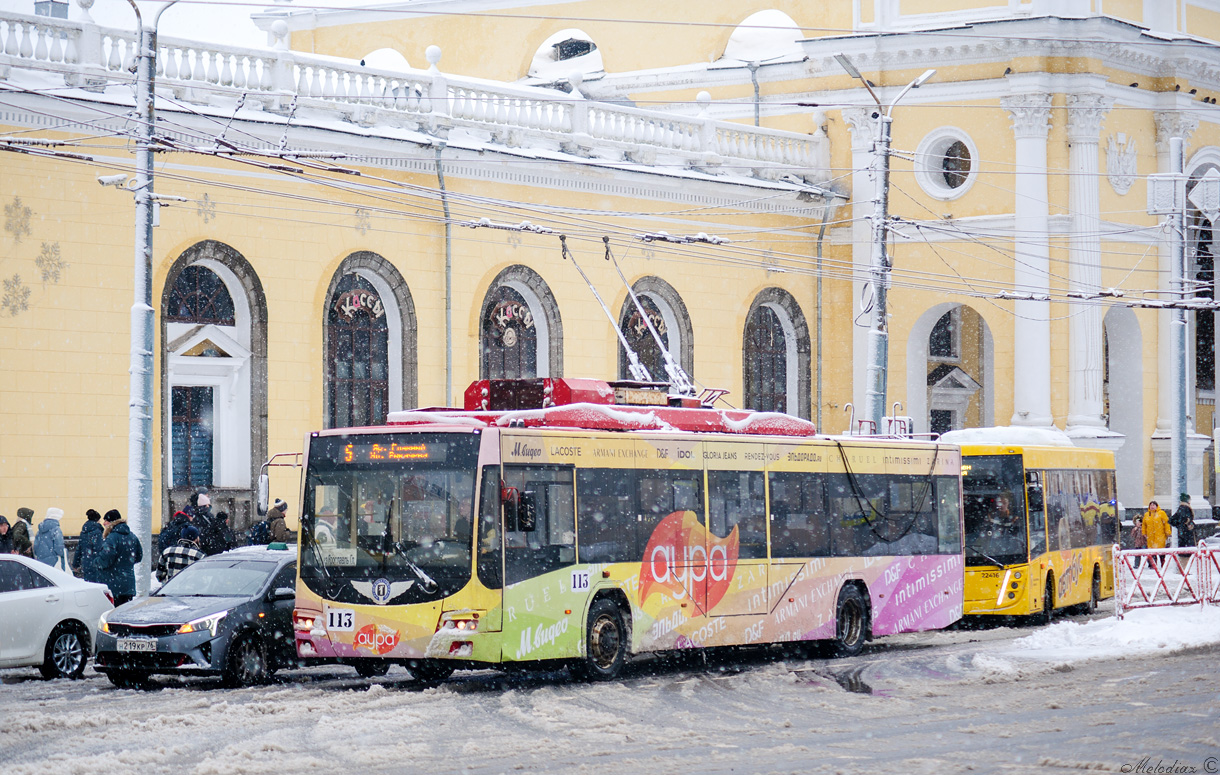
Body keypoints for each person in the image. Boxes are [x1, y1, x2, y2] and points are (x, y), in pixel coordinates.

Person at [95, 509, 143, 606]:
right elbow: (139, 556)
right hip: (128, 584)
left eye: (106, 521)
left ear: (112, 522)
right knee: (125, 612)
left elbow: (106, 558)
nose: (104, 523)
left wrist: (96, 562)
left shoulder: (112, 537)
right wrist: (125, 563)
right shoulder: (132, 536)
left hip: (113, 584)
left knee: (112, 614)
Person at [72, 509, 106, 582]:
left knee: (89, 583)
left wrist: (76, 564)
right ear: (97, 521)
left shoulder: (84, 532)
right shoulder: (98, 532)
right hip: (97, 563)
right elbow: (99, 548)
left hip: (86, 563)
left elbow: (79, 548)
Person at [1141, 500, 1171, 568]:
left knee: (1161, 550)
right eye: (1150, 505)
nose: (1152, 507)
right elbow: (1144, 525)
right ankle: (1152, 564)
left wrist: (1168, 532)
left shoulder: (1161, 513)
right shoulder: (1147, 514)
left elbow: (1166, 523)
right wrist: (1144, 533)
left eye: (1153, 505)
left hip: (1160, 535)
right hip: (1150, 536)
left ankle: (1163, 563)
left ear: (1157, 506)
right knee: (1152, 551)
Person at [1169, 492, 1197, 556]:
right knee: (1188, 552)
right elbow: (1184, 518)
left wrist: (1179, 525)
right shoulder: (1185, 507)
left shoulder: (1181, 507)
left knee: (1182, 549)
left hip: (1182, 533)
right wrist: (1187, 523)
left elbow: (1171, 520)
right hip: (1187, 534)